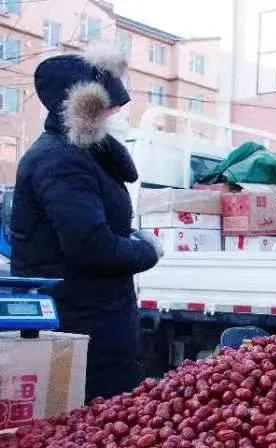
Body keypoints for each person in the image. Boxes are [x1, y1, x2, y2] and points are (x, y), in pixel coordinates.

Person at [11, 45, 162, 400]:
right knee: (88, 424)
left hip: (99, 315)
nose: (118, 115)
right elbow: (91, 246)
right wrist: (147, 250)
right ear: (84, 108)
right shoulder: (61, 161)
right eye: (110, 108)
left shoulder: (83, 153)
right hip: (82, 323)